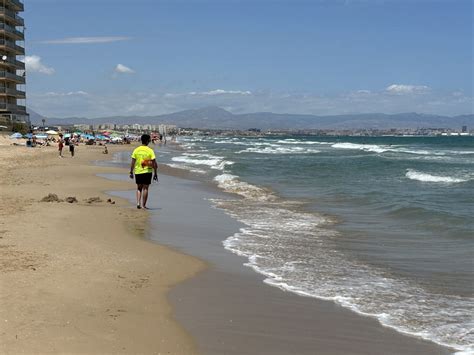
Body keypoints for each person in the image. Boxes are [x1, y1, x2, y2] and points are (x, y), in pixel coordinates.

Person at [129, 134, 158, 209]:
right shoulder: (150, 150)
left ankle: (138, 203)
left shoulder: (136, 150)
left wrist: (131, 171)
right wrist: (155, 173)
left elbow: (133, 162)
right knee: (145, 188)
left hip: (138, 171)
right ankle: (143, 205)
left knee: (139, 188)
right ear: (148, 141)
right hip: (147, 171)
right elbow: (154, 162)